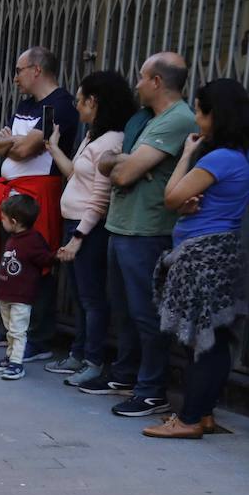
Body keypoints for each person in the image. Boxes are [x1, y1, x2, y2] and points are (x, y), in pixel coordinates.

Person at [80, 52, 198, 416]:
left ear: (157, 82)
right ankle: (126, 373)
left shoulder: (178, 120)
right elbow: (110, 166)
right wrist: (122, 163)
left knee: (146, 314)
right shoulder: (147, 120)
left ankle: (152, 390)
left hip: (146, 231)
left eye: (142, 77)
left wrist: (123, 164)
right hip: (122, 225)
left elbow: (123, 174)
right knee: (124, 310)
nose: (137, 84)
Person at [143, 78, 249, 438]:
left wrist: (187, 154)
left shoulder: (219, 157)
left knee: (204, 341)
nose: (196, 120)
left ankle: (188, 419)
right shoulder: (238, 156)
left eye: (200, 111)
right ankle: (202, 414)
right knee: (213, 339)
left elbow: (170, 197)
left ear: (214, 114)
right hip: (218, 253)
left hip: (203, 257)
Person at [0, 46, 79, 361]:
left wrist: (8, 142)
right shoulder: (25, 105)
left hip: (38, 195)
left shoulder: (58, 106)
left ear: (36, 70)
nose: (14, 78)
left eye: (19, 70)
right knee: (13, 260)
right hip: (14, 194)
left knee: (36, 262)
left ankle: (37, 336)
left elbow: (25, 150)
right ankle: (13, 329)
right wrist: (11, 143)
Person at [43, 71, 136, 385]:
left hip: (88, 228)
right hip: (75, 223)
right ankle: (79, 353)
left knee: (92, 298)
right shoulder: (92, 136)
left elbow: (99, 199)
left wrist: (78, 237)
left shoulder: (111, 142)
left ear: (93, 102)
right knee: (82, 296)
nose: (77, 107)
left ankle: (93, 360)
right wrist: (53, 147)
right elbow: (75, 175)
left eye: (80, 100)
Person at [0, 194, 55, 380]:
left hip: (21, 295)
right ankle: (10, 357)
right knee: (11, 328)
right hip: (7, 293)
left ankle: (16, 363)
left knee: (18, 330)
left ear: (14, 221)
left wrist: (57, 256)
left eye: (3, 219)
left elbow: (44, 258)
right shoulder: (14, 238)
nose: (1, 222)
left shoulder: (32, 239)